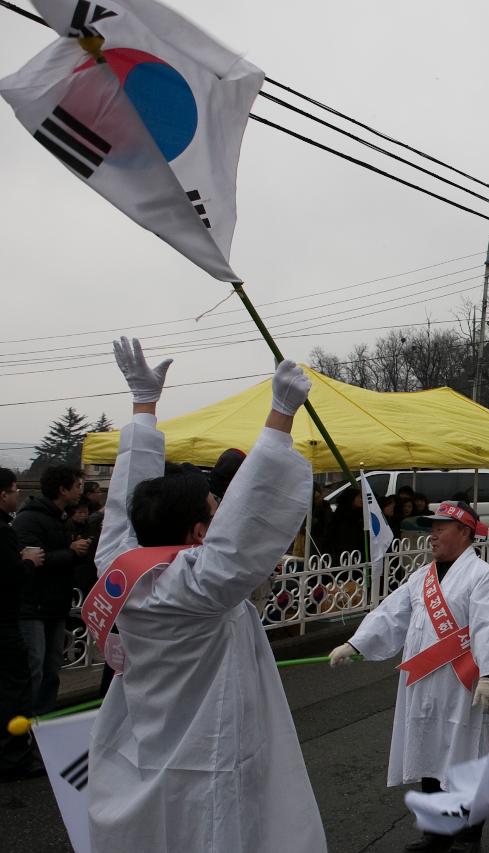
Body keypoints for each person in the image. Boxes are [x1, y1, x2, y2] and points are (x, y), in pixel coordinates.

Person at [87, 338, 325, 851]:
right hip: (208, 754)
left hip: (142, 751)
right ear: (198, 532)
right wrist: (281, 415)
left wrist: (144, 407)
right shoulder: (199, 588)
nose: (222, 516)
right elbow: (251, 517)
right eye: (214, 511)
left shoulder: (117, 572)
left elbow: (125, 506)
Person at [330, 498, 489, 853]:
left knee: (465, 756)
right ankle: (437, 833)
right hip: (424, 682)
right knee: (430, 753)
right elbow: (390, 614)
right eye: (432, 527)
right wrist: (356, 644)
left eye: (441, 527)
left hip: (462, 684)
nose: (433, 534)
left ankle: (468, 836)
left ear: (464, 532)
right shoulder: (421, 577)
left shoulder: (481, 576)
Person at [11, 464, 87, 714]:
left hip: (56, 604)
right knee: (34, 667)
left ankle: (46, 719)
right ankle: (25, 723)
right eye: (77, 486)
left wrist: (74, 552)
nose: (80, 491)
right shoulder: (29, 518)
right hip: (34, 605)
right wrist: (70, 552)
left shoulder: (62, 518)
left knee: (52, 667)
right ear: (62, 489)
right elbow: (33, 561)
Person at [0, 468, 42, 783]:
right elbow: (9, 578)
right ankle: (14, 757)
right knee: (14, 688)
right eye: (15, 490)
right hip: (4, 622)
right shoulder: (3, 530)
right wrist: (27, 561)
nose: (18, 496)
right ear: (3, 494)